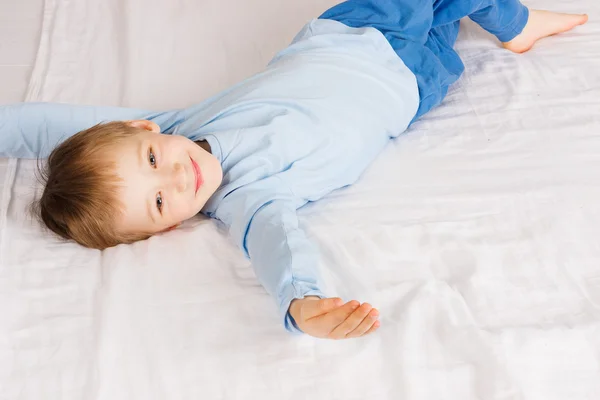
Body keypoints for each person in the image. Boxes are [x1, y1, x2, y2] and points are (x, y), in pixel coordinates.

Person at [0, 0, 588, 340]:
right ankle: (505, 22)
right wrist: (300, 306)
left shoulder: (175, 122)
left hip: (355, 29)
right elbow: (279, 249)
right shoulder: (250, 201)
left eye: (153, 161)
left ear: (142, 132)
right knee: (449, 17)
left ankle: (517, 24)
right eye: (159, 202)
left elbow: (46, 123)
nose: (177, 177)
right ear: (167, 229)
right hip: (412, 83)